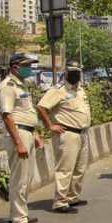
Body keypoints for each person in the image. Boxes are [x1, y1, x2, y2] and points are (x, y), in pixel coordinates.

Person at [37, 61, 91, 214]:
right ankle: (60, 202)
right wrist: (50, 125)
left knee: (80, 168)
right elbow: (41, 107)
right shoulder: (58, 90)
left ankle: (72, 197)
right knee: (65, 169)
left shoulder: (81, 90)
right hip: (67, 134)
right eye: (72, 72)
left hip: (82, 133)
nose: (75, 75)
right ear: (66, 73)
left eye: (77, 72)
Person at [0, 54, 42, 223]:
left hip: (27, 132)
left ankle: (19, 213)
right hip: (19, 134)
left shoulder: (21, 85)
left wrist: (36, 132)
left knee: (27, 176)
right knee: (20, 179)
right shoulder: (7, 87)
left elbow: (27, 112)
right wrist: (18, 143)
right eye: (26, 65)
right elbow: (7, 116)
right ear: (15, 67)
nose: (29, 69)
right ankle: (18, 219)